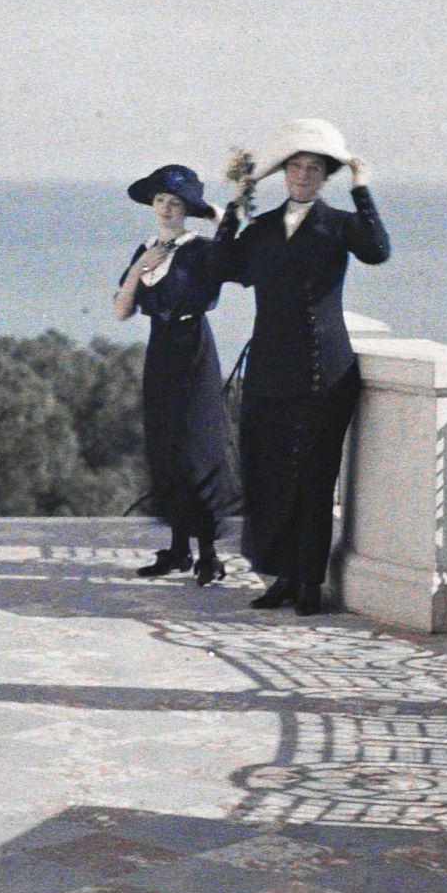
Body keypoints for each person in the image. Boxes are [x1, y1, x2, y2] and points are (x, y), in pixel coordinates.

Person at [209, 119, 391, 616]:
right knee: (269, 477)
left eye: (314, 168)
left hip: (324, 374)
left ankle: (309, 581)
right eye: (295, 167)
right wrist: (235, 204)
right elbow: (221, 268)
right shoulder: (263, 228)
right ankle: (282, 575)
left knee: (313, 478)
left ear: (324, 175)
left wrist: (362, 187)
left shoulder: (337, 224)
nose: (303, 176)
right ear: (283, 173)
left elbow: (378, 251)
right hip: (268, 370)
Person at [113, 164, 236, 585]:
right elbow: (121, 310)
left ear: (187, 209)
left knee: (195, 446)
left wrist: (223, 224)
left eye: (175, 203)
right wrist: (138, 269)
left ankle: (210, 555)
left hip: (193, 347)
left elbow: (230, 270)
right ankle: (179, 550)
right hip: (160, 346)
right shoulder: (145, 248)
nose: (166, 209)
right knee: (164, 444)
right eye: (161, 201)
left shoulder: (199, 249)